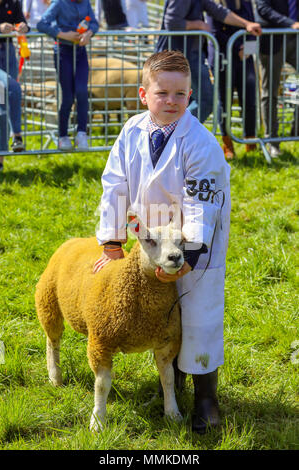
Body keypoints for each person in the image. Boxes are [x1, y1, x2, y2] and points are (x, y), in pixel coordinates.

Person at [93, 50, 231, 434]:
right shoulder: (131, 131)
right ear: (143, 93)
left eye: (180, 94)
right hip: (149, 245)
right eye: (162, 93)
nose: (171, 101)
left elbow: (200, 202)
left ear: (190, 96)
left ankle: (206, 396)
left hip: (193, 247)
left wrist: (188, 255)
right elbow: (115, 184)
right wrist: (111, 242)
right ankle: (171, 384)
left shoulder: (200, 143)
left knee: (198, 313)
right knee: (160, 315)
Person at [156, 0, 262, 124]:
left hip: (190, 55)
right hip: (178, 57)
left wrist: (247, 24)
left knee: (192, 100)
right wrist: (199, 25)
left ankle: (173, 133)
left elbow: (219, 11)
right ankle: (172, 132)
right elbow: (172, 22)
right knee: (205, 100)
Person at [37, 0, 99, 150]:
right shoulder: (59, 3)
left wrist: (89, 33)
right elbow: (42, 24)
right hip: (63, 52)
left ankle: (81, 133)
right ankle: (63, 135)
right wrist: (63, 35)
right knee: (68, 97)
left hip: (80, 52)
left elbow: (94, 23)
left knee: (82, 91)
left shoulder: (86, 3)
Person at [207, 0, 258, 160]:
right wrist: (237, 48)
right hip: (223, 57)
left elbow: (252, 25)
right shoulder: (214, 4)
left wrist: (248, 48)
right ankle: (227, 144)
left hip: (246, 57)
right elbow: (215, 31)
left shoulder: (246, 2)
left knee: (249, 99)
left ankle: (251, 142)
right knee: (225, 102)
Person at [255, 0, 299, 158]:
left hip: (295, 39)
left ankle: (296, 129)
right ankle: (271, 142)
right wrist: (290, 23)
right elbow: (263, 8)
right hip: (273, 39)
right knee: (270, 92)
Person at [0, 0, 28, 164]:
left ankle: (0, 160)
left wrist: (23, 26)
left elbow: (22, 22)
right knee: (14, 88)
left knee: (2, 109)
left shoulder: (13, 3)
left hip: (8, 55)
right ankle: (17, 135)